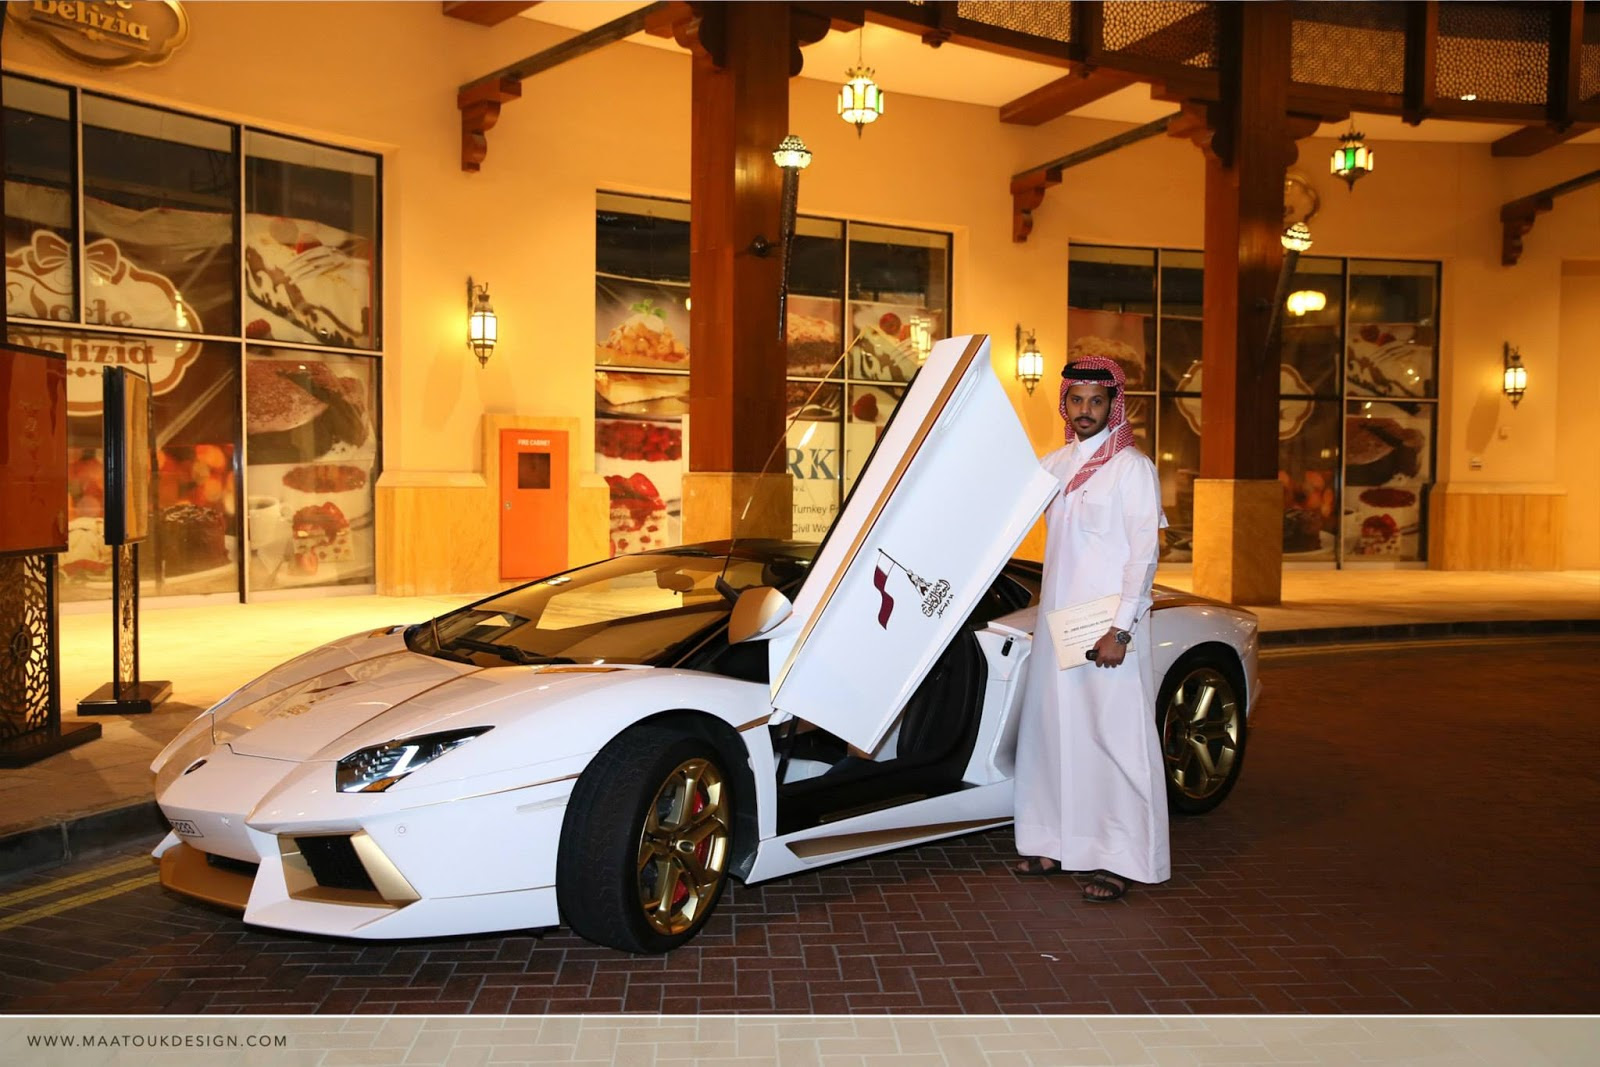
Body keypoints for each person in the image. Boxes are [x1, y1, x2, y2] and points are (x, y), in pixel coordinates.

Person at [1010, 355, 1168, 902]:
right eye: (1076, 401)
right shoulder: (1052, 465)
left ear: (1113, 405)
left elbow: (1143, 557)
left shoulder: (1133, 469)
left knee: (1114, 740)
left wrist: (1120, 630)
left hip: (1105, 627)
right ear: (1064, 404)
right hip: (1060, 621)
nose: (1085, 411)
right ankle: (1056, 842)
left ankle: (1120, 857)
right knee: (1055, 735)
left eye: (1096, 401)